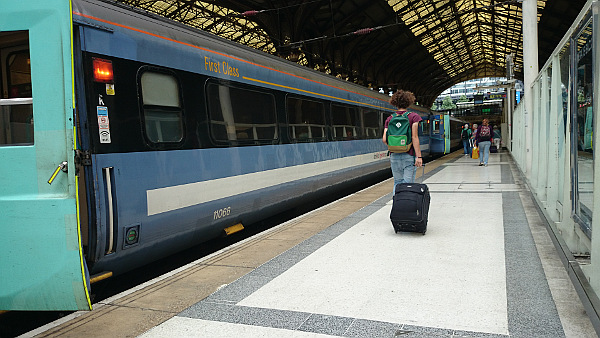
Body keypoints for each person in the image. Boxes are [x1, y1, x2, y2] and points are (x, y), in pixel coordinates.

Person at [382, 90, 423, 193]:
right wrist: (419, 156)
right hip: (408, 155)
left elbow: (384, 139)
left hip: (394, 155)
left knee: (397, 182)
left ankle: (397, 205)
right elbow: (414, 137)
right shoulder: (414, 117)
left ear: (395, 102)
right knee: (408, 184)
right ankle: (406, 207)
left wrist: (394, 145)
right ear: (409, 102)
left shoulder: (390, 119)